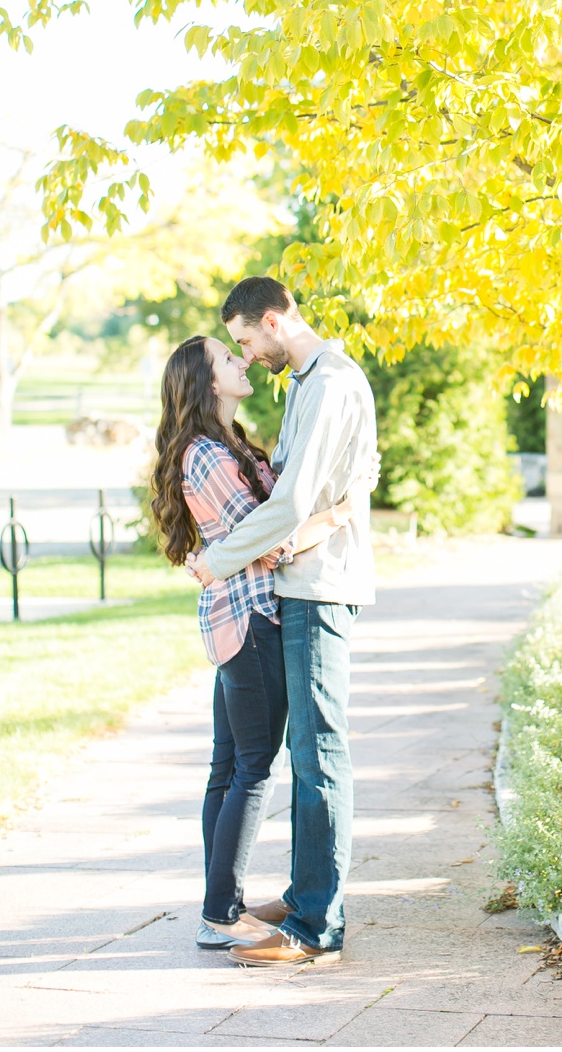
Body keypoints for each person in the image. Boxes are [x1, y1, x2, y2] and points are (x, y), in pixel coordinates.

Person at [191, 277, 379, 967]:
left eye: (246, 340)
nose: (247, 355)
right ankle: (305, 894)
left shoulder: (330, 382)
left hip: (320, 587)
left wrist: (219, 558)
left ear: (274, 321)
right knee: (306, 750)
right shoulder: (305, 383)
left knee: (320, 752)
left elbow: (295, 499)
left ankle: (316, 927)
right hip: (295, 582)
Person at [152, 335, 362, 950]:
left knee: (229, 767)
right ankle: (219, 916)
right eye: (227, 356)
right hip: (249, 622)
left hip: (237, 619)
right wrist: (336, 515)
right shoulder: (207, 456)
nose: (241, 361)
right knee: (248, 771)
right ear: (206, 382)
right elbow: (268, 540)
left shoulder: (226, 445)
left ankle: (221, 906)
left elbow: (255, 530)